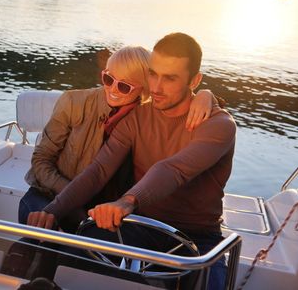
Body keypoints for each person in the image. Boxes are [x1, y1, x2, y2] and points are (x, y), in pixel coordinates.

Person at [28, 33, 236, 290]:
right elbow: (98, 170)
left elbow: (173, 169)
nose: (157, 87)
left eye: (170, 78)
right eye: (153, 74)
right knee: (68, 260)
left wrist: (127, 201)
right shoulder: (136, 117)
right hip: (139, 226)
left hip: (198, 238)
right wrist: (52, 211)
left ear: (194, 81)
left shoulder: (219, 125)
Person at [19, 45, 217, 232]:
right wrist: (72, 193)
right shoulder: (74, 102)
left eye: (124, 86)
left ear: (145, 88)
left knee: (98, 248)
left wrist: (206, 95)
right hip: (48, 195)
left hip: (101, 206)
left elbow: (180, 102)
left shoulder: (144, 117)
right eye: (108, 79)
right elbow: (41, 160)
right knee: (45, 232)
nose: (112, 89)